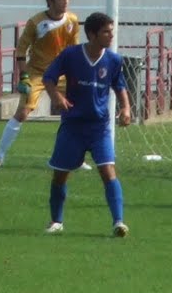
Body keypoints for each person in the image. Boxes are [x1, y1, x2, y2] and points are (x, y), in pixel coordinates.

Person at [42, 12, 133, 237]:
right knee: (61, 175)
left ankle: (118, 222)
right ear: (92, 34)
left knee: (107, 170)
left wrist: (126, 108)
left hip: (99, 127)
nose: (111, 35)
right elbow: (48, 78)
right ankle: (56, 221)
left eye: (112, 31)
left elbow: (119, 86)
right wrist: (56, 97)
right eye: (106, 31)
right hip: (73, 127)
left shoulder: (113, 60)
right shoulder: (71, 55)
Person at [0, 0, 82, 170]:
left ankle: (76, 158)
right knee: (23, 112)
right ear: (50, 1)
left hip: (62, 74)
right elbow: (21, 51)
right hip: (38, 73)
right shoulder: (36, 22)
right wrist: (24, 77)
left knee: (76, 111)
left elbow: (74, 50)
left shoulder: (72, 20)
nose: (65, 2)